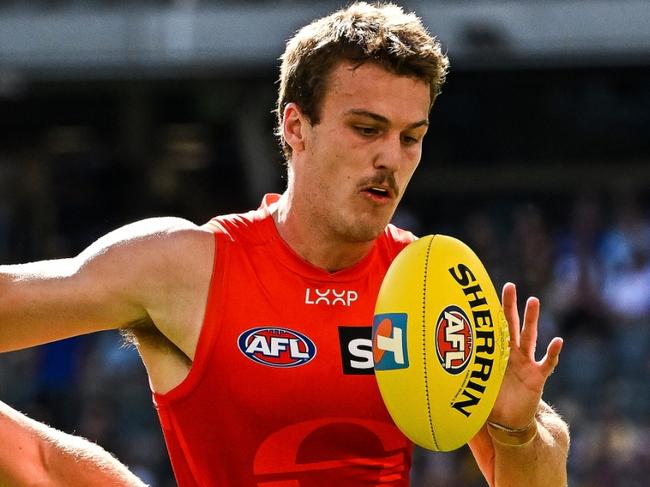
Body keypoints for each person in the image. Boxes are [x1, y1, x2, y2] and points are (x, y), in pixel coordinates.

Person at [0, 2, 569, 486]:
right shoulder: (183, 266)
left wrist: (517, 431)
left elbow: (536, 467)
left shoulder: (430, 286)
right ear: (296, 127)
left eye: (411, 138)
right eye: (367, 129)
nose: (391, 159)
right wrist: (79, 470)